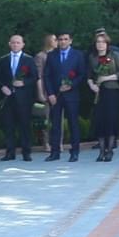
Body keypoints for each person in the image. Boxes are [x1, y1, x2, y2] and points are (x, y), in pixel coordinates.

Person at [43, 30, 85, 161]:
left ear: (70, 41)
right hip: (56, 95)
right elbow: (46, 76)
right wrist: (50, 93)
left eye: (65, 39)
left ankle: (74, 151)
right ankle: (55, 152)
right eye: (60, 39)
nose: (63, 42)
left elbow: (82, 74)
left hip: (71, 95)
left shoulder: (78, 55)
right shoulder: (51, 55)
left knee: (73, 123)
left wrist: (71, 85)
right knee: (55, 124)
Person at [0, 34, 37, 161]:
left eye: (18, 43)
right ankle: (10, 152)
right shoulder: (3, 60)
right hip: (8, 98)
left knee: (25, 125)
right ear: (9, 44)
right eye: (13, 42)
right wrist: (2, 87)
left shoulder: (28, 60)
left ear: (23, 44)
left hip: (24, 98)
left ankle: (26, 152)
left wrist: (24, 83)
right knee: (9, 126)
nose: (15, 45)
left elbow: (34, 77)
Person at [85, 33, 119, 161]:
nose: (100, 44)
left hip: (112, 90)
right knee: (100, 120)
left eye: (103, 42)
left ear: (107, 44)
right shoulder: (92, 57)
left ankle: (110, 149)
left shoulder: (114, 55)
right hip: (98, 92)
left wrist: (106, 78)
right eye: (98, 42)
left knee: (110, 119)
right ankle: (102, 150)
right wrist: (92, 85)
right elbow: (89, 75)